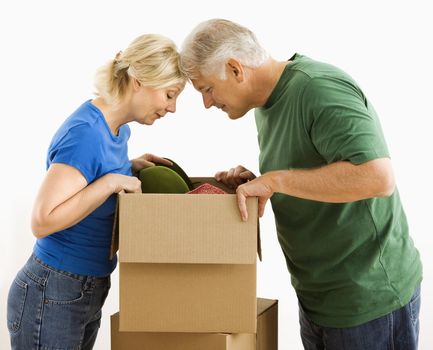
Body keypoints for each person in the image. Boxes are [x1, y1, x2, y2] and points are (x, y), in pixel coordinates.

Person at [180, 19, 422, 350]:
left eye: (206, 89)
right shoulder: (264, 106)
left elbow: (377, 177)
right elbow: (310, 173)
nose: (207, 103)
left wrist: (277, 180)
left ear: (236, 69)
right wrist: (260, 181)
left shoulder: (318, 88)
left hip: (367, 302)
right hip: (317, 300)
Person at [7, 34, 186, 349]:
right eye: (170, 95)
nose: (172, 108)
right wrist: (111, 182)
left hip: (83, 287)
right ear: (140, 81)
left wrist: (129, 166)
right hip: (54, 291)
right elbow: (42, 220)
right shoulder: (87, 133)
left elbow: (86, 177)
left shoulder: (117, 129)